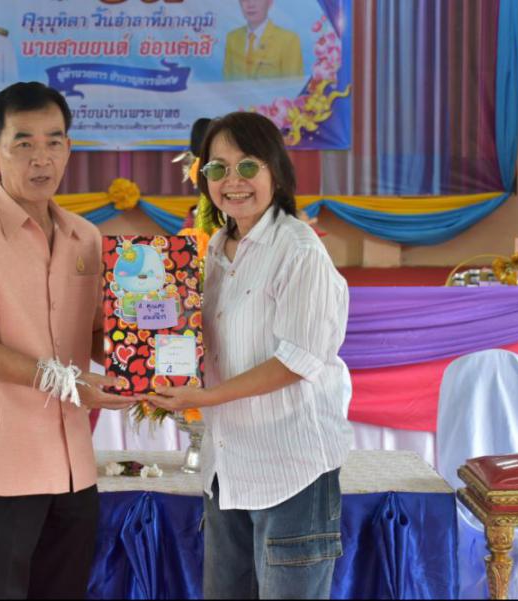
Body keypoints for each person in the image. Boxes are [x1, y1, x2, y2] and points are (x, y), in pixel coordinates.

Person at [0, 81, 136, 599]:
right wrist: (62, 381)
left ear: (69, 147)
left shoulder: (85, 237)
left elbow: (98, 334)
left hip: (71, 465)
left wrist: (149, 357)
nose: (41, 158)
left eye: (54, 141)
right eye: (23, 143)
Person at [153, 112, 352, 600]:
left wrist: (205, 397)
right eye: (217, 169)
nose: (232, 181)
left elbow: (297, 360)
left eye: (247, 166)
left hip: (291, 469)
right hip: (228, 467)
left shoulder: (299, 250)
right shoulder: (218, 249)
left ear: (276, 173)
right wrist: (143, 348)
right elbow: (204, 342)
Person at [223, 0, 304, 80]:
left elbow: (293, 85)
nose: (250, 5)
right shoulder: (232, 38)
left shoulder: (289, 40)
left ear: (269, 2)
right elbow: (228, 82)